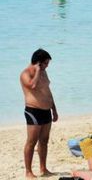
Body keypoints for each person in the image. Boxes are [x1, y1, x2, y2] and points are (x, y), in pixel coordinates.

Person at [21, 48, 57, 179]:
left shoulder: (44, 72)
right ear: (38, 63)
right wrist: (36, 70)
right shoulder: (26, 73)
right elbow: (33, 86)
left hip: (46, 110)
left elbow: (48, 91)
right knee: (31, 142)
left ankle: (43, 168)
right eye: (45, 63)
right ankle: (28, 172)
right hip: (33, 111)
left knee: (44, 140)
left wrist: (54, 109)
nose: (47, 66)